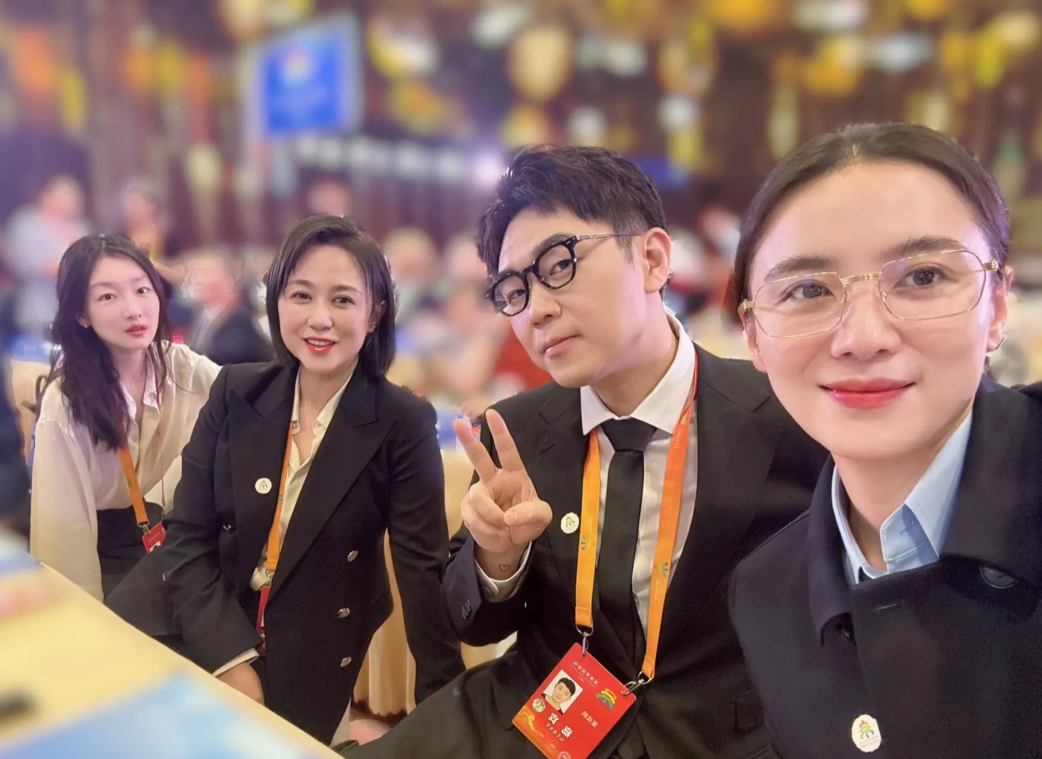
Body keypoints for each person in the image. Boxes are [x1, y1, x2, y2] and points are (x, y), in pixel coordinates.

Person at [351, 146, 827, 759]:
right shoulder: (516, 431)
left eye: (559, 265)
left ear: (652, 259)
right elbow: (474, 621)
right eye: (513, 290)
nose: (537, 310)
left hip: (719, 734)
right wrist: (498, 560)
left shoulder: (787, 416)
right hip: (537, 716)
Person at [728, 122, 1042, 758]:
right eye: (808, 290)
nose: (862, 338)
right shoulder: (766, 593)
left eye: (923, 277)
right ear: (754, 335)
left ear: (998, 307)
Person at [162, 215, 466, 744]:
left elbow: (422, 573)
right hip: (214, 617)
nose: (319, 319)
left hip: (320, 633)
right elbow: (187, 535)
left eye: (343, 300)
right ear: (276, 300)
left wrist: (445, 713)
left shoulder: (402, 421)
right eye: (301, 295)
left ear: (375, 313)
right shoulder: (236, 390)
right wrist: (229, 659)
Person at [29, 234, 219, 600]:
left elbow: (246, 398)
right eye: (108, 297)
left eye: (142, 290)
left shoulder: (182, 367)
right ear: (81, 314)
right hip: (106, 557)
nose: (133, 309)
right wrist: (88, 618)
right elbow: (65, 537)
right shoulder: (66, 402)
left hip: (178, 547)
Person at [4, 174, 89, 340]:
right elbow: (27, 266)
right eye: (65, 194)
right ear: (46, 196)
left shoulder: (81, 226)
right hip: (39, 314)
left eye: (74, 195)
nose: (72, 200)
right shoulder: (27, 224)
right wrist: (73, 265)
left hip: (76, 313)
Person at [186, 246, 273, 365]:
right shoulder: (200, 316)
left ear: (229, 279)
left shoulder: (242, 324)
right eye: (195, 274)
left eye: (205, 273)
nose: (197, 280)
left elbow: (216, 360)